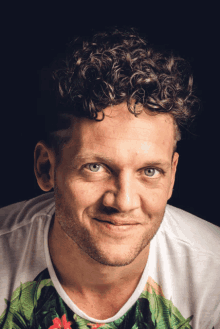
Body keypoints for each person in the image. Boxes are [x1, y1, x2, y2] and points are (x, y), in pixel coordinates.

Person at [0, 27, 220, 329]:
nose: (124, 202)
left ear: (172, 177)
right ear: (46, 168)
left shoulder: (214, 273)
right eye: (96, 167)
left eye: (150, 171)